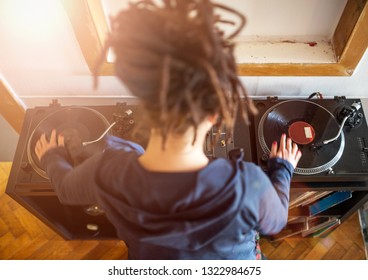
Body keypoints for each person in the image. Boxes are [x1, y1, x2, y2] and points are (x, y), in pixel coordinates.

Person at [35, 0, 301, 259]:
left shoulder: (106, 171)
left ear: (147, 105)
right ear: (215, 114)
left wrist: (52, 157)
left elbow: (66, 189)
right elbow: (275, 222)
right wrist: (282, 168)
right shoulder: (248, 184)